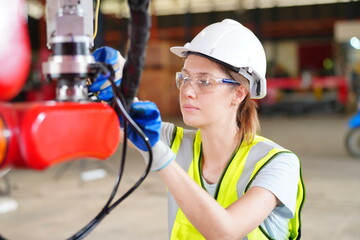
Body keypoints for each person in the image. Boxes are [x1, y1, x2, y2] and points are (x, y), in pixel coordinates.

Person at [91, 19, 305, 240]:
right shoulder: (173, 140)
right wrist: (110, 88)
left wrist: (161, 157)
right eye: (184, 78)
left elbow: (225, 232)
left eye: (204, 81)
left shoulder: (278, 164)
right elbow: (102, 124)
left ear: (239, 93)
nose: (187, 91)